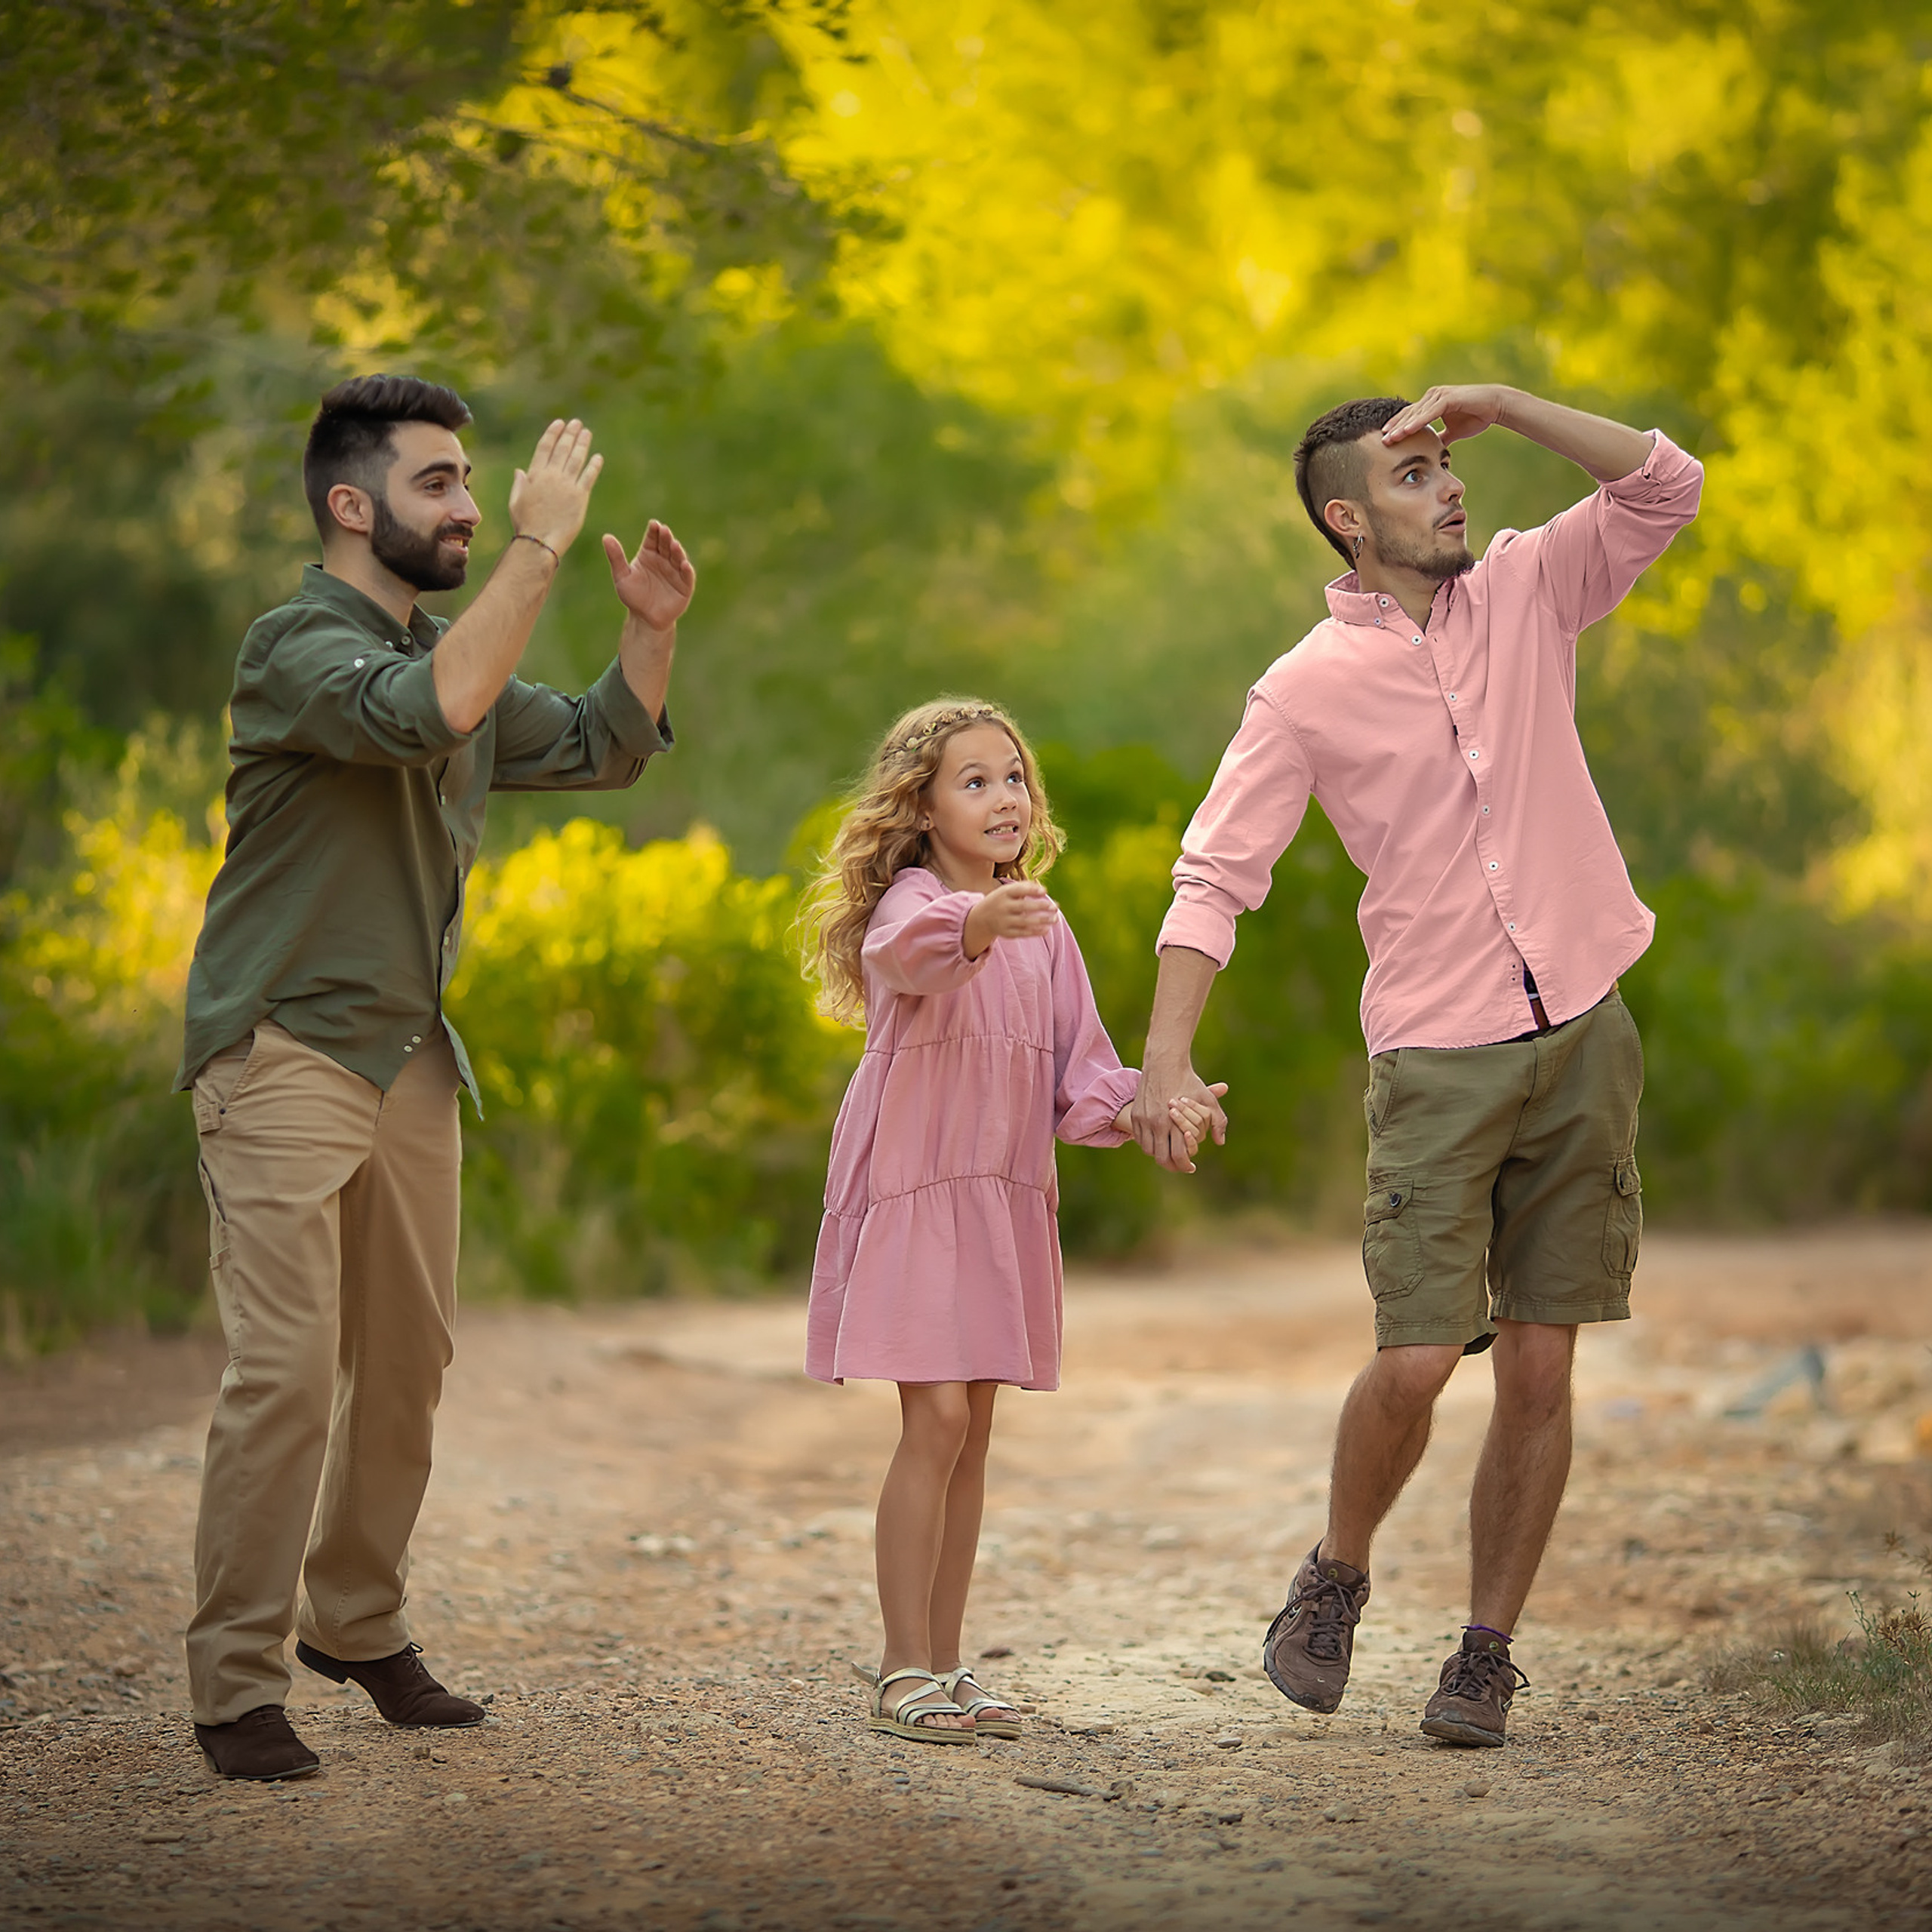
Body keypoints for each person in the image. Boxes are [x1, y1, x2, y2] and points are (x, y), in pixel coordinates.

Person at [1131, 384, 1702, 1746]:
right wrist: (1164, 1060)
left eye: (1448, 465)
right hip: (1438, 1059)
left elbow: (1665, 485)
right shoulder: (1303, 690)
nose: (1450, 488)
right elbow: (1216, 876)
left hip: (1586, 1034)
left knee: (1542, 1366)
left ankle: (1486, 1654)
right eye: (1413, 475)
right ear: (1348, 519)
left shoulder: (1529, 589)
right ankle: (1336, 1576)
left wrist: (1505, 404)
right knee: (1417, 1358)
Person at [177, 374, 697, 1781]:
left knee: (407, 1366)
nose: (468, 505)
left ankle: (354, 1621)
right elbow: (438, 709)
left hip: (409, 1052)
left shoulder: (438, 644)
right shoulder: (298, 644)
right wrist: (538, 546)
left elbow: (593, 745)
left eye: (472, 483)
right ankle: (235, 1684)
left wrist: (649, 635)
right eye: (438, 484)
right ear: (352, 507)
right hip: (283, 1045)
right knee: (287, 1374)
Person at [801, 700, 1223, 1742]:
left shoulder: (1044, 925)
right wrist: (978, 923)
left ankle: (948, 1665)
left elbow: (1081, 1075)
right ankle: (900, 1667)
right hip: (916, 1188)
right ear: (923, 808)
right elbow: (906, 956)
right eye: (975, 781)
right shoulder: (917, 904)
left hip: (999, 1198)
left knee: (975, 1429)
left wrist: (1156, 1105)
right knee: (936, 1421)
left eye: (1015, 778)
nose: (1005, 799)